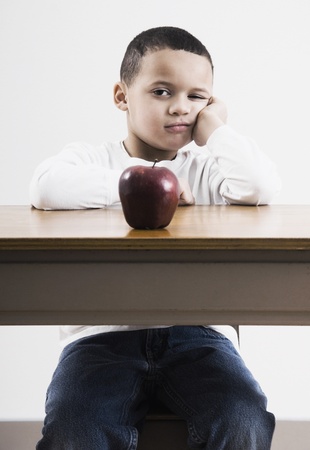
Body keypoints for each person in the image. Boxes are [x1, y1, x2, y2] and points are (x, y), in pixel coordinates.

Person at [31, 26, 280, 450]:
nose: (180, 108)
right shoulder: (92, 160)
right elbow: (45, 187)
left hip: (199, 337)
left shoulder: (208, 169)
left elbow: (259, 186)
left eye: (196, 97)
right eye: (162, 92)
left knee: (243, 417)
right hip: (99, 340)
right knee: (76, 427)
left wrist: (215, 130)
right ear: (122, 96)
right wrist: (139, 182)